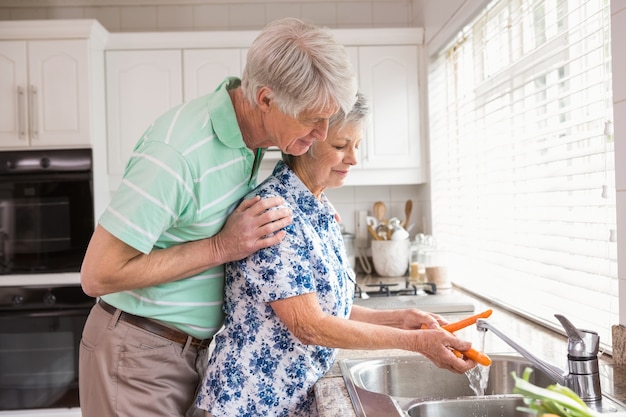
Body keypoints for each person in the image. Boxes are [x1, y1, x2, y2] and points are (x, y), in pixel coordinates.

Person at [78, 17, 358, 417]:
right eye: (313, 119)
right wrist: (221, 246)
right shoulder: (177, 152)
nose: (322, 132)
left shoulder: (254, 139)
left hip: (189, 354)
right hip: (136, 353)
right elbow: (97, 274)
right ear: (266, 99)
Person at [194, 93, 477, 417]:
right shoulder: (273, 215)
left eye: (356, 146)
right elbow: (309, 325)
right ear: (304, 143)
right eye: (341, 146)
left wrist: (403, 319)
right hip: (249, 405)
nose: (353, 159)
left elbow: (328, 308)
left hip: (287, 401)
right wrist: (417, 344)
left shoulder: (318, 208)